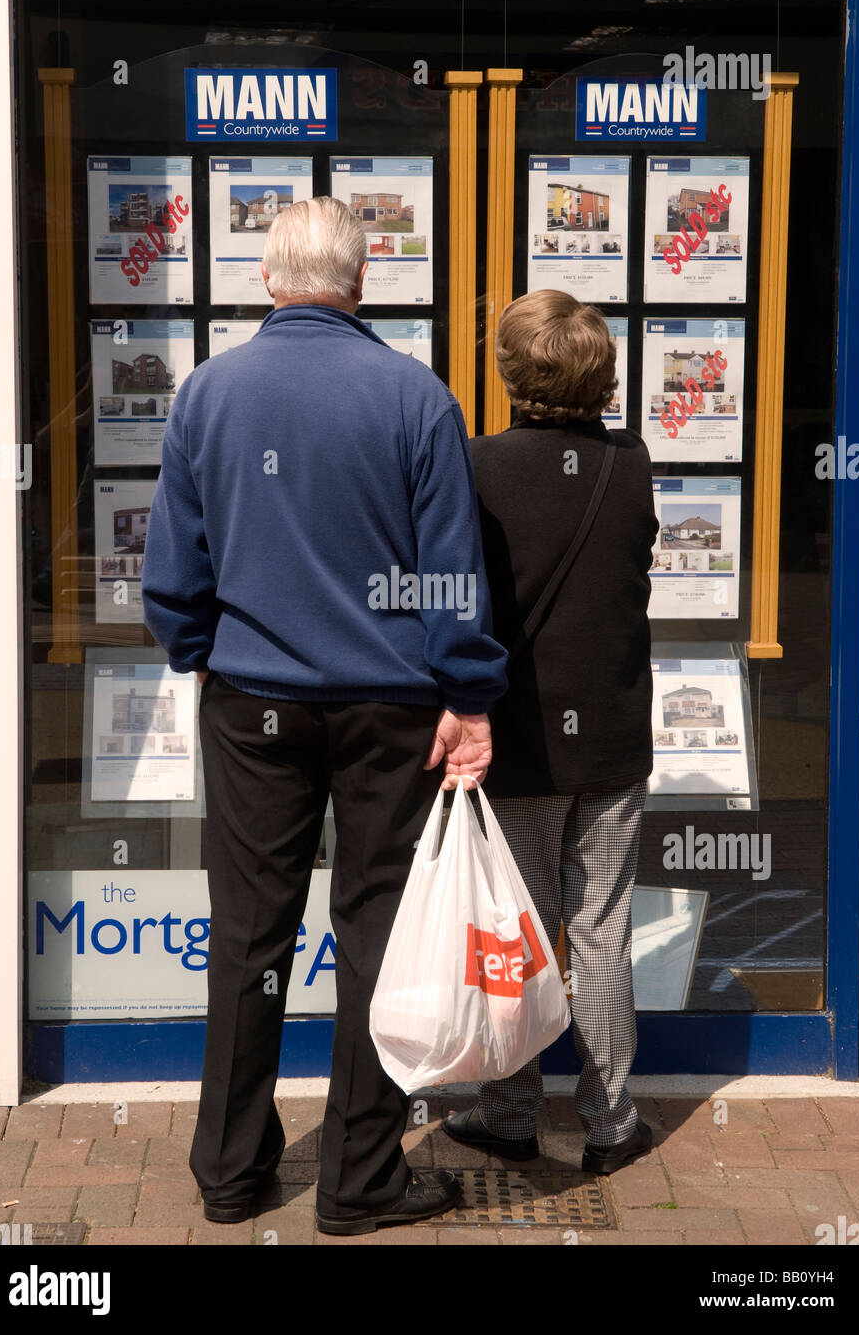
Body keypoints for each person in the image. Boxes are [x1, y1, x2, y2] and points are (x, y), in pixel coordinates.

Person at [141, 196, 507, 1234]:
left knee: (249, 936)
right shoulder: (415, 397)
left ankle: (229, 1171)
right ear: (360, 283)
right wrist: (467, 695)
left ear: (269, 278)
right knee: (376, 936)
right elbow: (451, 578)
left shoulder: (208, 394)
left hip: (253, 702)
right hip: (390, 706)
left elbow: (174, 572)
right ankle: (358, 1177)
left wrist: (199, 653)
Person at [444, 289, 658, 1175]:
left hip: (518, 744)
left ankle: (511, 1114)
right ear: (601, 376)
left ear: (509, 373)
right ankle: (610, 1127)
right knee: (601, 930)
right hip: (609, 736)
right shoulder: (631, 462)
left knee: (516, 933)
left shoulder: (475, 467)